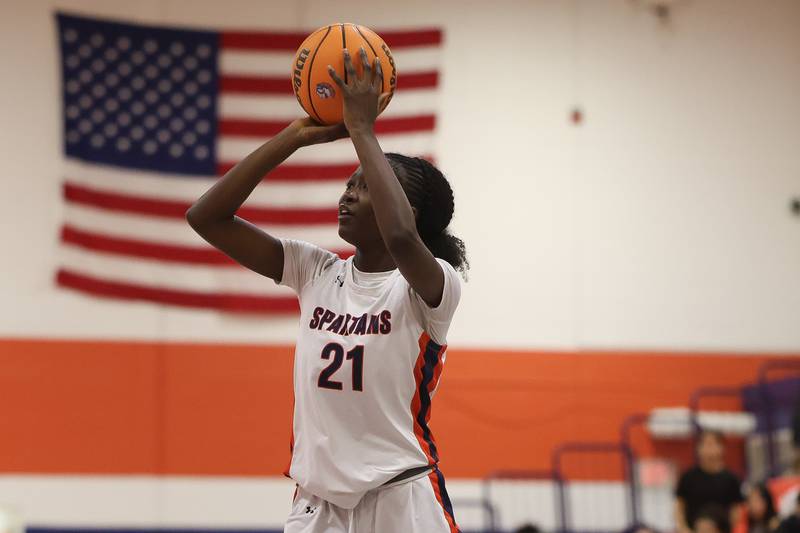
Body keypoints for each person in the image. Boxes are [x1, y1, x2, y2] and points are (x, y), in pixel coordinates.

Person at [186, 47, 467, 533]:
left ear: (407, 210)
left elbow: (401, 238)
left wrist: (362, 130)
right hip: (317, 505)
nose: (348, 195)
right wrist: (292, 138)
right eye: (349, 183)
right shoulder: (315, 271)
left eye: (365, 187)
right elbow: (206, 217)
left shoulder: (432, 285)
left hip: (400, 498)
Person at [675, 431, 744, 533]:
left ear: (721, 448)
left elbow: (736, 512)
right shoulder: (688, 477)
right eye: (705, 444)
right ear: (698, 448)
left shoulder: (731, 479)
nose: (708, 449)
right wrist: (684, 529)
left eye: (712, 444)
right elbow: (679, 508)